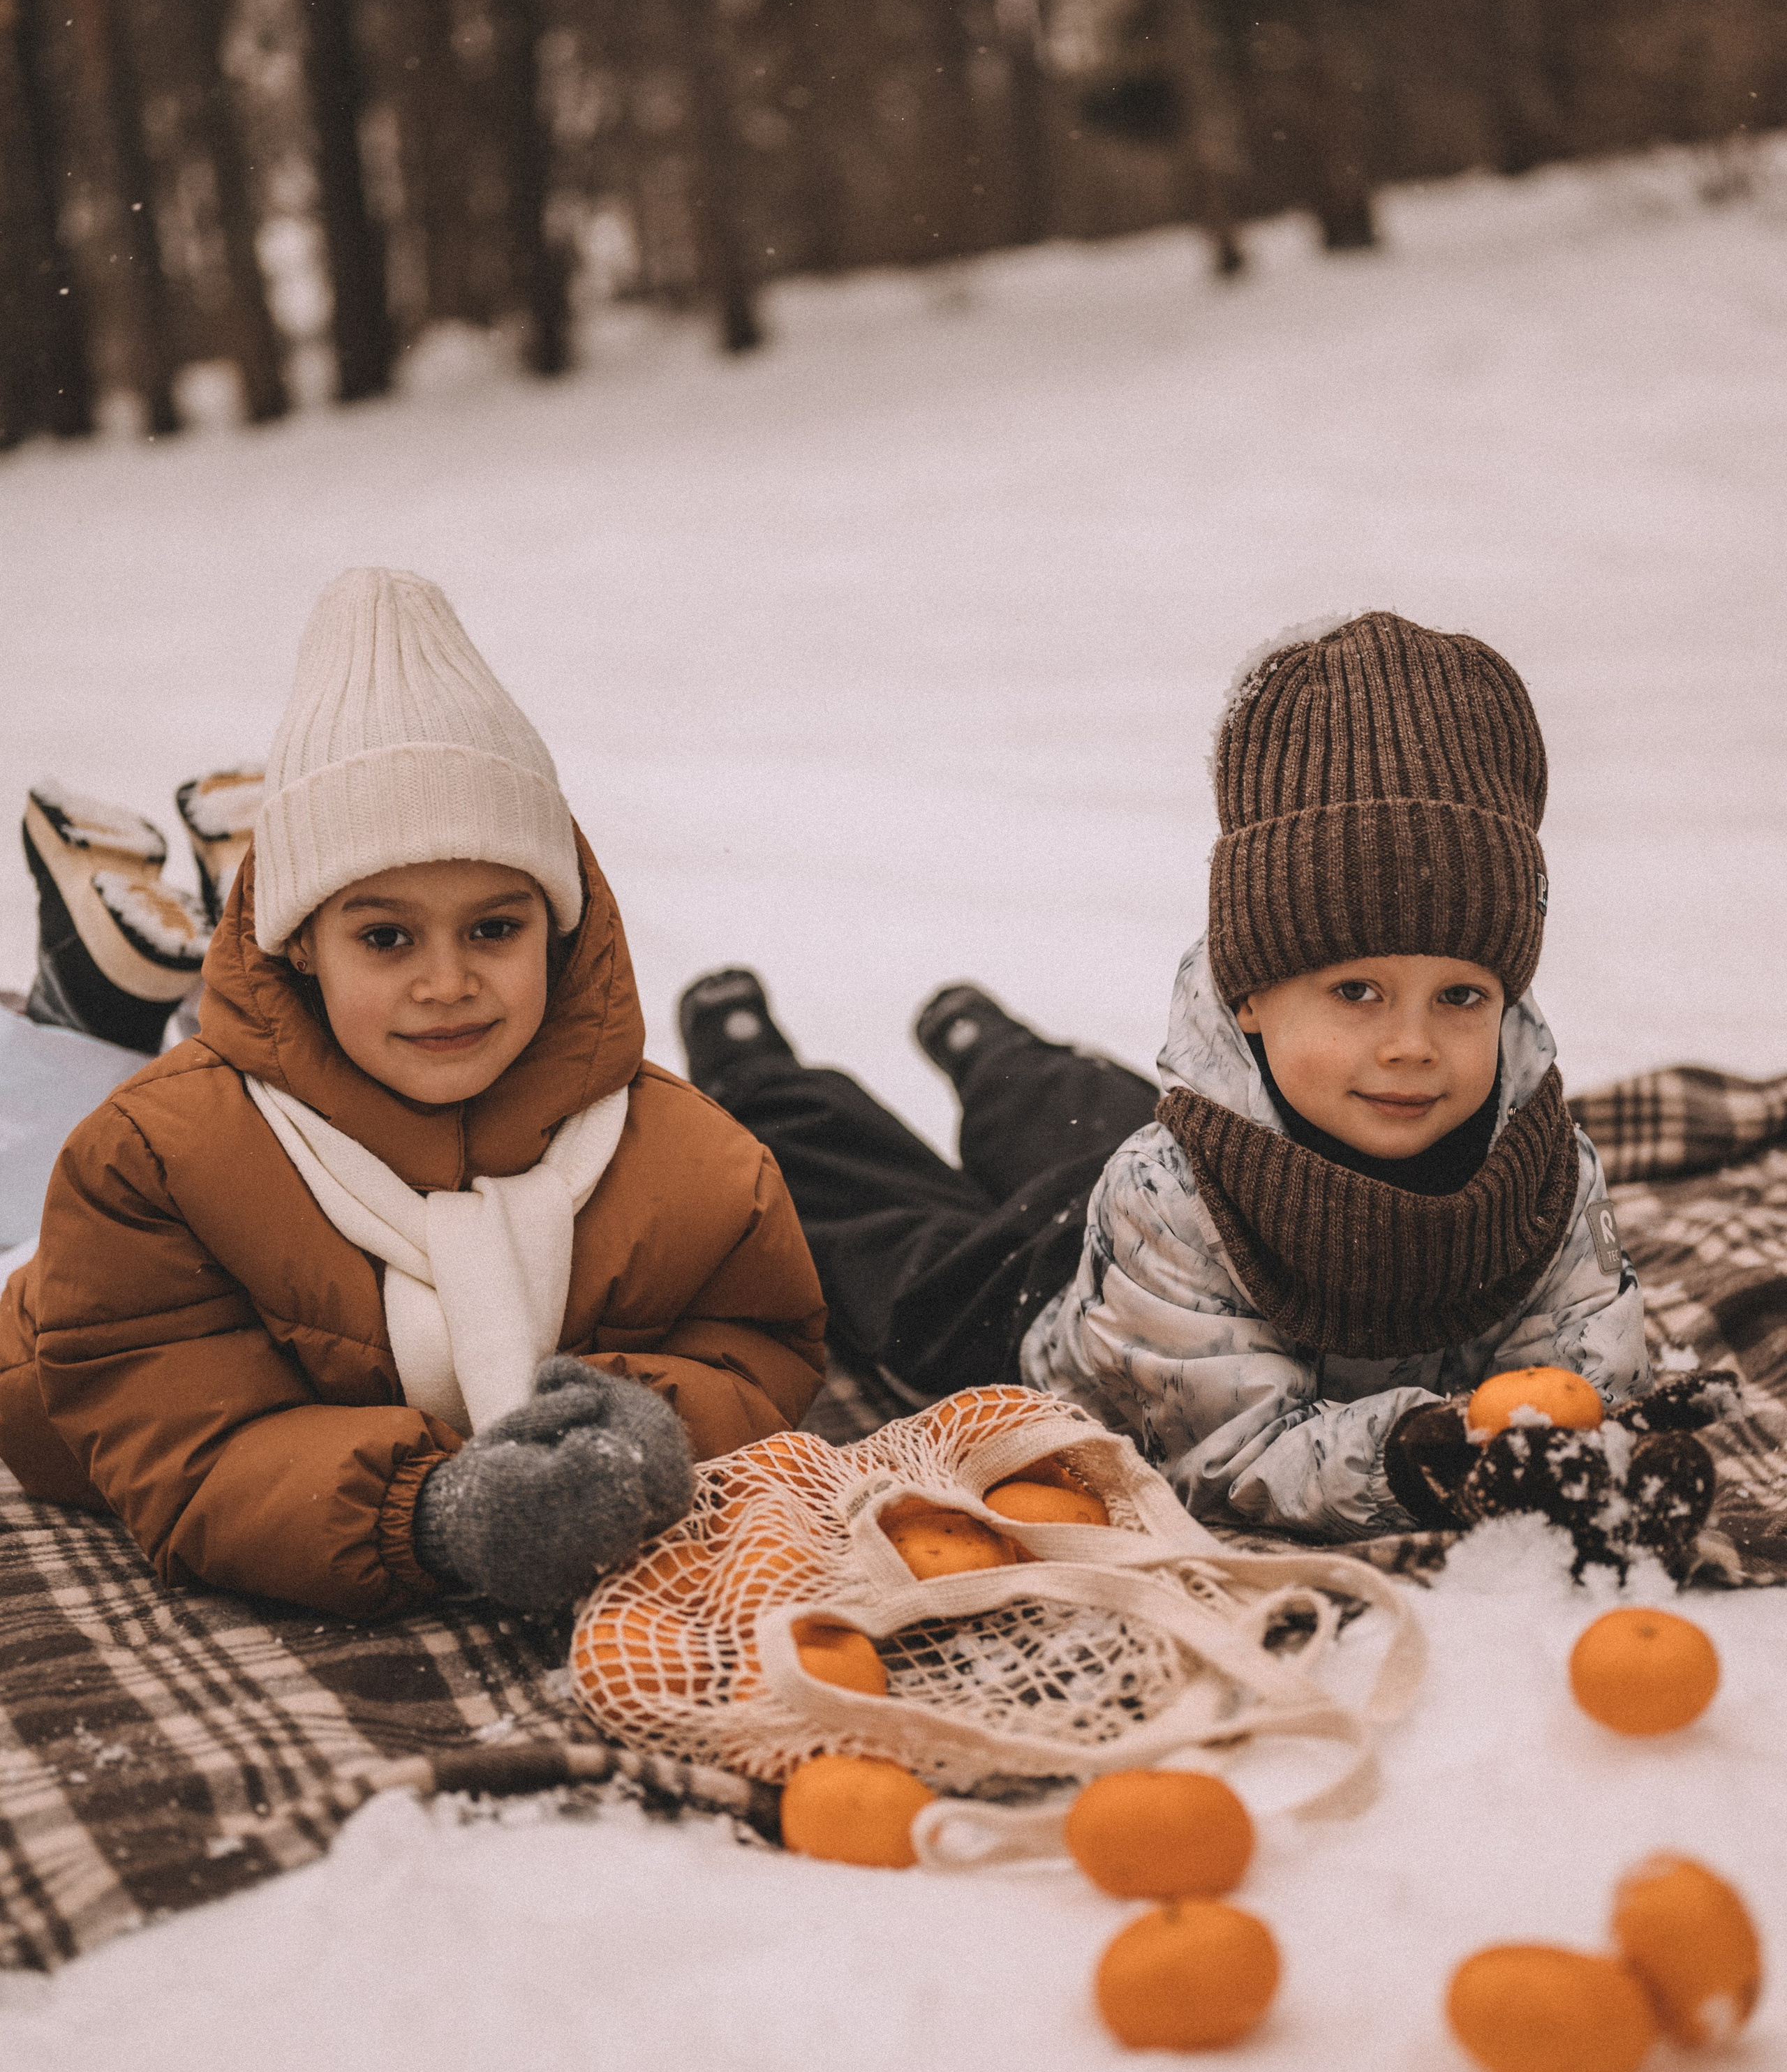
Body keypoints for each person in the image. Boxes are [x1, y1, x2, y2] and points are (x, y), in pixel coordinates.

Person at [680, 611, 1692, 1546]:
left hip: (1134, 1198)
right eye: (1357, 992)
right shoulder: (1172, 1185)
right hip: (1046, 1309)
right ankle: (765, 1075)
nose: (1412, 1045)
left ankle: (992, 1047)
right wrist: (1418, 1453)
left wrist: (1575, 1447)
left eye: (1461, 998)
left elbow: (1583, 1350)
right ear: (1248, 997)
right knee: (892, 1234)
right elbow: (1229, 1449)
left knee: (1079, 1111)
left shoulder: (1541, 1171)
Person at [0, 569, 825, 1618]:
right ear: (300, 942)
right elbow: (189, 1450)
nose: (447, 983)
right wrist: (427, 1513)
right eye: (386, 936)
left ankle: (201, 944)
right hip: (49, 1356)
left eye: (494, 928)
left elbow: (757, 1350)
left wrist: (647, 1424)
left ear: (559, 928)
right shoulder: (150, 1167)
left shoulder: (696, 1164)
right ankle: (109, 1003)